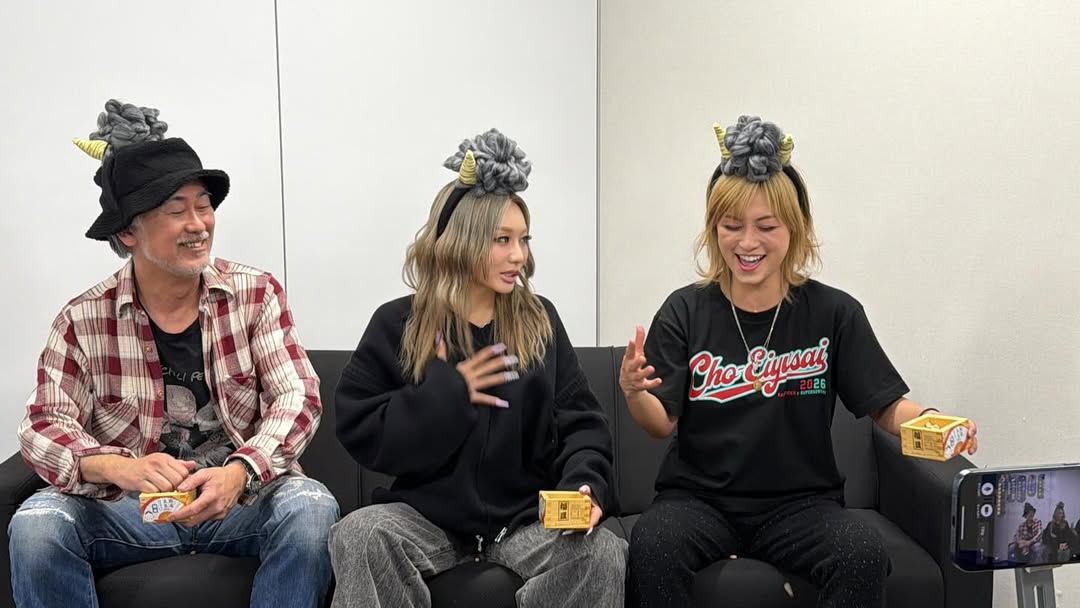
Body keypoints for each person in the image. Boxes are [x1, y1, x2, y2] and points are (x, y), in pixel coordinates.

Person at [620, 115, 979, 608]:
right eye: (731, 226)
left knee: (862, 553)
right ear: (713, 229)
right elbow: (660, 423)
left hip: (801, 505)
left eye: (766, 227)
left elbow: (885, 405)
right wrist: (634, 392)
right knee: (652, 545)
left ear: (796, 228)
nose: (747, 243)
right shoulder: (685, 309)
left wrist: (937, 424)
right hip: (698, 501)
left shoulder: (834, 313)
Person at [9, 99, 338, 608]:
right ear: (127, 232)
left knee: (311, 507)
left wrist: (240, 471)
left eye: (203, 206)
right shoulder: (82, 319)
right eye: (176, 211)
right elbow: (43, 425)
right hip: (130, 510)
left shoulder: (255, 294)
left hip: (239, 500)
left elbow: (298, 397)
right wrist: (114, 466)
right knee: (37, 526)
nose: (198, 224)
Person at [330, 128, 626, 607]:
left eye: (523, 240)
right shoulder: (398, 323)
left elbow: (582, 424)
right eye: (502, 240)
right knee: (360, 534)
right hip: (427, 519)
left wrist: (583, 486)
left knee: (603, 552)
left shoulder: (540, 320)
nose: (519, 255)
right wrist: (444, 398)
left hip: (524, 520)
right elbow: (361, 430)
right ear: (462, 241)